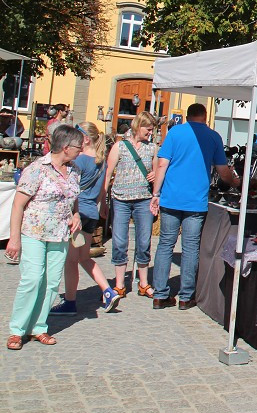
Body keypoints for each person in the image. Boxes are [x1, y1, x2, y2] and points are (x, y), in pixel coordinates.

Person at [150, 103, 239, 310]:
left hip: (171, 197)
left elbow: (162, 164)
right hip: (195, 200)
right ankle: (185, 296)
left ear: (188, 116)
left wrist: (156, 193)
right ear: (204, 117)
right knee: (190, 247)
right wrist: (236, 182)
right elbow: (223, 171)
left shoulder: (174, 133)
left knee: (165, 245)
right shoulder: (213, 136)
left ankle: (160, 295)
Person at [6, 124, 84, 350]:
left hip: (59, 234)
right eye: (78, 146)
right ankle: (17, 330)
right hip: (34, 232)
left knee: (51, 283)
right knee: (32, 279)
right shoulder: (36, 169)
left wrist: (76, 214)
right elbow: (18, 205)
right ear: (66, 147)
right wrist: (14, 238)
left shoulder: (75, 170)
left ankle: (38, 327)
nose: (81, 150)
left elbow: (72, 198)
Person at [51, 122, 119, 316]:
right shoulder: (101, 160)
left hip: (78, 213)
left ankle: (70, 302)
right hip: (91, 213)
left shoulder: (79, 161)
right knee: (84, 257)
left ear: (85, 139)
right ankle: (107, 290)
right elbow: (99, 193)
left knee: (71, 261)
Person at [103, 111, 158, 298]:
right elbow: (109, 171)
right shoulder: (120, 146)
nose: (150, 133)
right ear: (137, 126)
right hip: (120, 199)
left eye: (152, 130)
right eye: (148, 129)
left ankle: (143, 283)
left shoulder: (152, 148)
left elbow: (158, 170)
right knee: (119, 241)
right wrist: (103, 198)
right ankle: (119, 283)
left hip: (143, 198)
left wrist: (155, 176)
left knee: (144, 241)